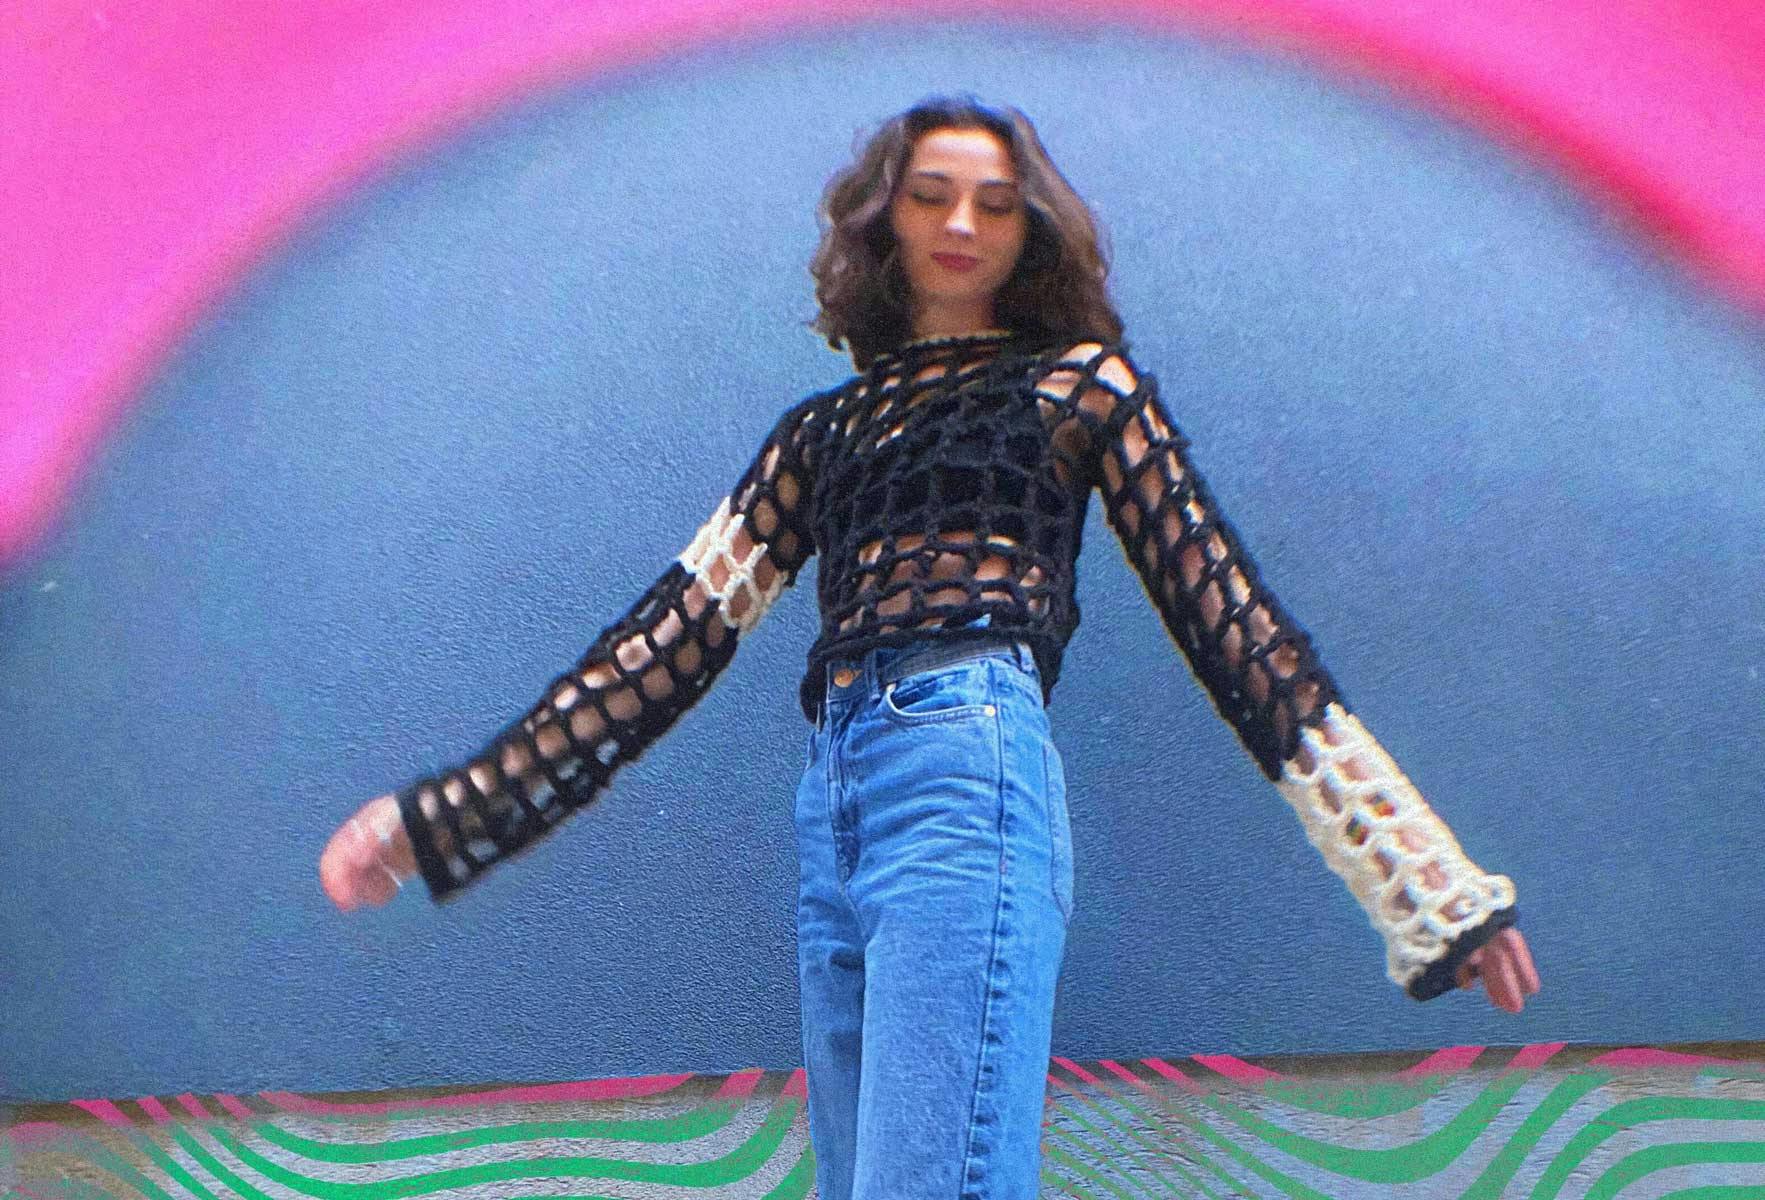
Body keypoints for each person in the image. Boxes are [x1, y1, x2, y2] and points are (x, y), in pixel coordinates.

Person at [318, 94, 1540, 1198]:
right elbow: (664, 646)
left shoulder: (1080, 389)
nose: (962, 221)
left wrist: (1421, 879)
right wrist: (437, 818)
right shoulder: (822, 433)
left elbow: (1236, 627)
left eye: (996, 202)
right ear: (882, 219)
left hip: (969, 766)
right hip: (836, 804)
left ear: (1032, 229)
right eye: (930, 193)